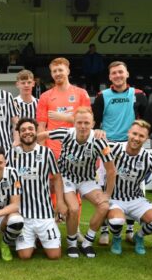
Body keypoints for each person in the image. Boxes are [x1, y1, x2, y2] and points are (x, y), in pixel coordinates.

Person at [38, 108, 116, 258]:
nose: (83, 126)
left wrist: (107, 194)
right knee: (73, 208)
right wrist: (28, 148)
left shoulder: (100, 142)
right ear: (73, 123)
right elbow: (42, 135)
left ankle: (87, 242)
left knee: (104, 205)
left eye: (86, 122)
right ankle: (72, 243)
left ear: (93, 124)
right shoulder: (66, 133)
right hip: (66, 178)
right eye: (79, 122)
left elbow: (111, 170)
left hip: (87, 179)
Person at [93, 61, 148, 244]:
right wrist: (98, 133)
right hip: (108, 146)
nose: (117, 75)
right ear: (110, 77)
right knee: (104, 187)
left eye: (120, 72)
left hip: (130, 146)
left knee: (133, 187)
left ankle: (130, 230)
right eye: (114, 73)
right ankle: (104, 230)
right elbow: (96, 122)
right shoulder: (102, 96)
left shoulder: (138, 95)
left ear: (127, 74)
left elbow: (145, 122)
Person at [6, 118, 65, 260]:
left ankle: (41, 238)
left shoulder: (46, 153)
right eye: (23, 130)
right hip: (22, 214)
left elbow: (57, 178)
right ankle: (30, 239)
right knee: (24, 256)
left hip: (44, 213)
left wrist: (60, 202)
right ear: (19, 134)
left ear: (36, 131)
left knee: (55, 255)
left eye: (30, 129)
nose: (27, 132)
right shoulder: (12, 154)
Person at [106, 120, 152, 255]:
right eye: (134, 134)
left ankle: (138, 236)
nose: (136, 138)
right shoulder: (113, 148)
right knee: (116, 221)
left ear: (146, 139)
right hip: (114, 198)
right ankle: (116, 238)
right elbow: (90, 145)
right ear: (128, 133)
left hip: (136, 199)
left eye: (141, 136)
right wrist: (97, 132)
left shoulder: (148, 157)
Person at [36, 57, 91, 159]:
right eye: (54, 71)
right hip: (53, 149)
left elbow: (88, 123)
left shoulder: (81, 94)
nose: (57, 73)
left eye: (60, 70)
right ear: (51, 74)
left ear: (68, 71)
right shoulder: (45, 96)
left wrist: (64, 117)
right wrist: (42, 149)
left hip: (76, 147)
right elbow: (41, 126)